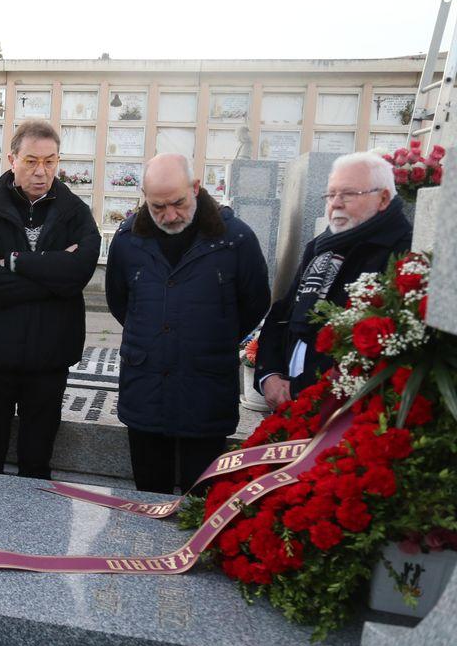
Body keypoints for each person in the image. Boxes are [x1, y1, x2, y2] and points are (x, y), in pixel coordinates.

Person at [105, 154, 271, 494]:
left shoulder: (235, 240)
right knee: (148, 499)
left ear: (196, 188)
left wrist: (208, 337)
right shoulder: (127, 240)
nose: (170, 215)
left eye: (178, 203)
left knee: (202, 500)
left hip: (206, 392)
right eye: (157, 207)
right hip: (146, 389)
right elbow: (120, 302)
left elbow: (255, 303)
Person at [0, 120, 100, 479]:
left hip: (48, 361)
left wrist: (17, 262)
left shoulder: (76, 213)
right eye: (32, 161)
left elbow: (78, 273)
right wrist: (53, 276)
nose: (42, 171)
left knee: (37, 466)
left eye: (50, 162)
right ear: (12, 159)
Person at [255, 151, 412, 404]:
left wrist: (299, 390)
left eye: (348, 194)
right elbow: (283, 312)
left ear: (383, 198)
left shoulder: (403, 250)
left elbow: (381, 348)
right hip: (290, 401)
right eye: (331, 194)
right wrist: (269, 375)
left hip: (342, 407)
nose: (335, 203)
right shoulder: (321, 246)